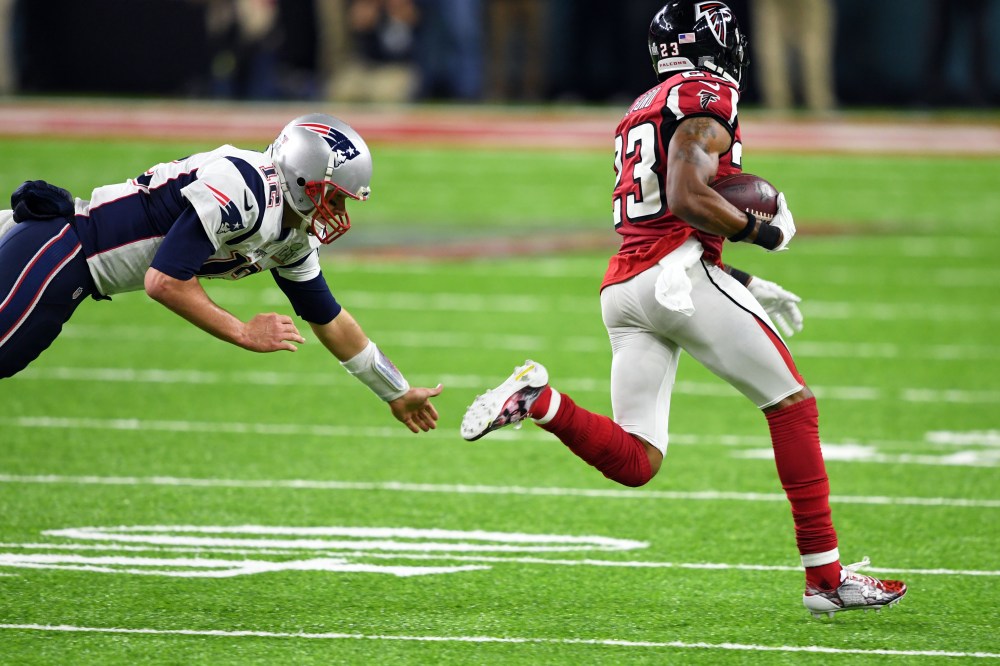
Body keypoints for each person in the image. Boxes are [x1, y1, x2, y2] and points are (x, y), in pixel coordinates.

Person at [461, 1, 906, 617]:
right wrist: (759, 231)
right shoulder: (706, 95)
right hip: (675, 281)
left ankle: (540, 400)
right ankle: (826, 581)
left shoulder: (641, 107)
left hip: (625, 290)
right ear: (715, 44)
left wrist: (740, 277)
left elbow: (661, 219)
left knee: (638, 459)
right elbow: (686, 196)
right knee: (794, 408)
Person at [0, 113, 443, 434]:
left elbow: (329, 319)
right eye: (336, 197)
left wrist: (395, 391)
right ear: (304, 179)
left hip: (72, 267)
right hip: (60, 249)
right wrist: (243, 332)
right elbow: (165, 281)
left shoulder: (289, 232)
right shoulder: (245, 187)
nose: (340, 211)